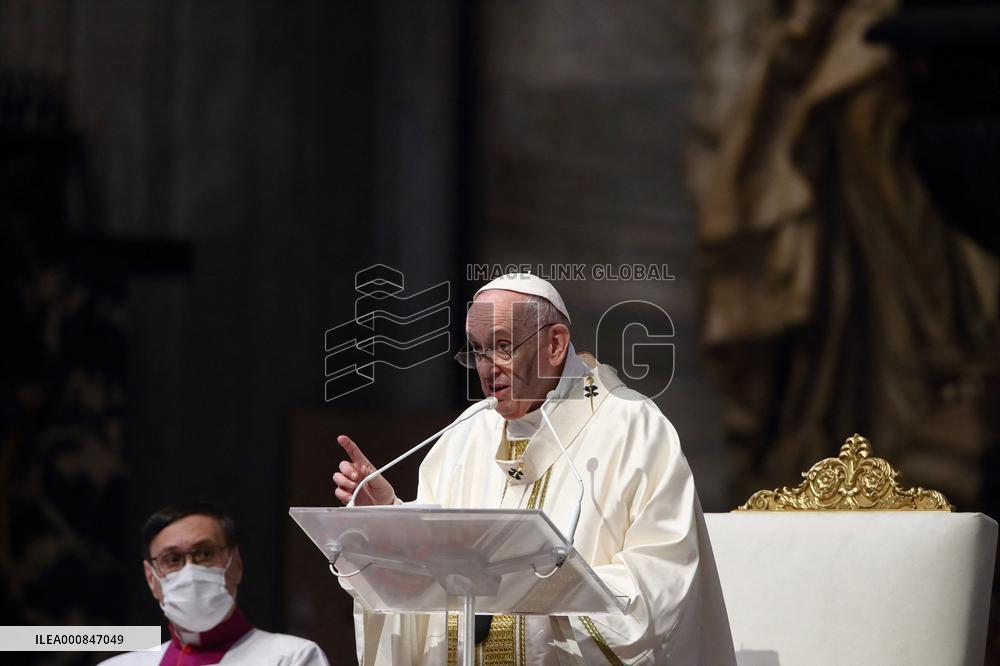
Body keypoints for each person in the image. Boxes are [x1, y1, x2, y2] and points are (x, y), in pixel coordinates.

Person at [333, 273, 736, 665]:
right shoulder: (466, 435)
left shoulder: (634, 429)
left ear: (556, 344)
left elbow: (663, 583)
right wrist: (391, 520)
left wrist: (539, 588)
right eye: (477, 350)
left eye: (503, 346)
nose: (488, 368)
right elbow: (431, 569)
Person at [99, 502, 329, 665]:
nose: (190, 570)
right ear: (151, 579)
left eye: (205, 553)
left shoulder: (292, 657)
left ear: (236, 564)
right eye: (173, 559)